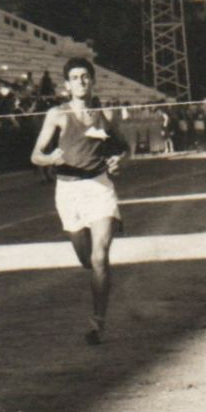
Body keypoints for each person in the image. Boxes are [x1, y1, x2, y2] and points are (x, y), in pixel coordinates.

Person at [29, 57, 129, 345]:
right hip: (68, 191)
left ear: (93, 80)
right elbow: (35, 155)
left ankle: (97, 323)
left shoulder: (106, 115)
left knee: (100, 257)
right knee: (86, 259)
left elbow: (125, 148)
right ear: (67, 84)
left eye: (85, 76)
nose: (81, 81)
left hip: (99, 187)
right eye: (75, 77)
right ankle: (100, 279)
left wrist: (119, 160)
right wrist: (49, 159)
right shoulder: (57, 115)